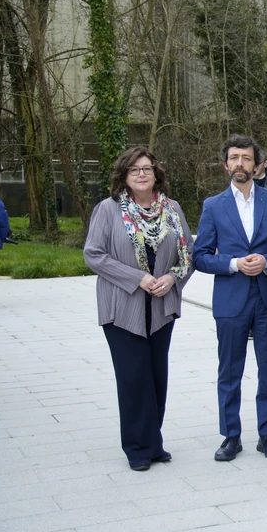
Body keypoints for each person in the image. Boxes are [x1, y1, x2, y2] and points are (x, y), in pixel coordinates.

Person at [83, 147, 193, 471]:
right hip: (122, 309)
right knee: (133, 378)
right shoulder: (109, 209)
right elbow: (94, 254)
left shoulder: (171, 209)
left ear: (156, 173)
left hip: (161, 308)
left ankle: (153, 442)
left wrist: (172, 280)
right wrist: (139, 277)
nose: (142, 174)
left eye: (147, 168)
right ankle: (136, 448)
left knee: (157, 378)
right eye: (134, 170)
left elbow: (189, 255)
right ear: (124, 176)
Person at [193, 134, 267, 462]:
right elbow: (200, 256)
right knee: (229, 372)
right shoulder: (213, 206)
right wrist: (233, 264)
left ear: (257, 164)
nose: (240, 164)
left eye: (246, 158)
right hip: (231, 299)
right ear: (225, 165)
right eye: (234, 158)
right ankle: (231, 436)